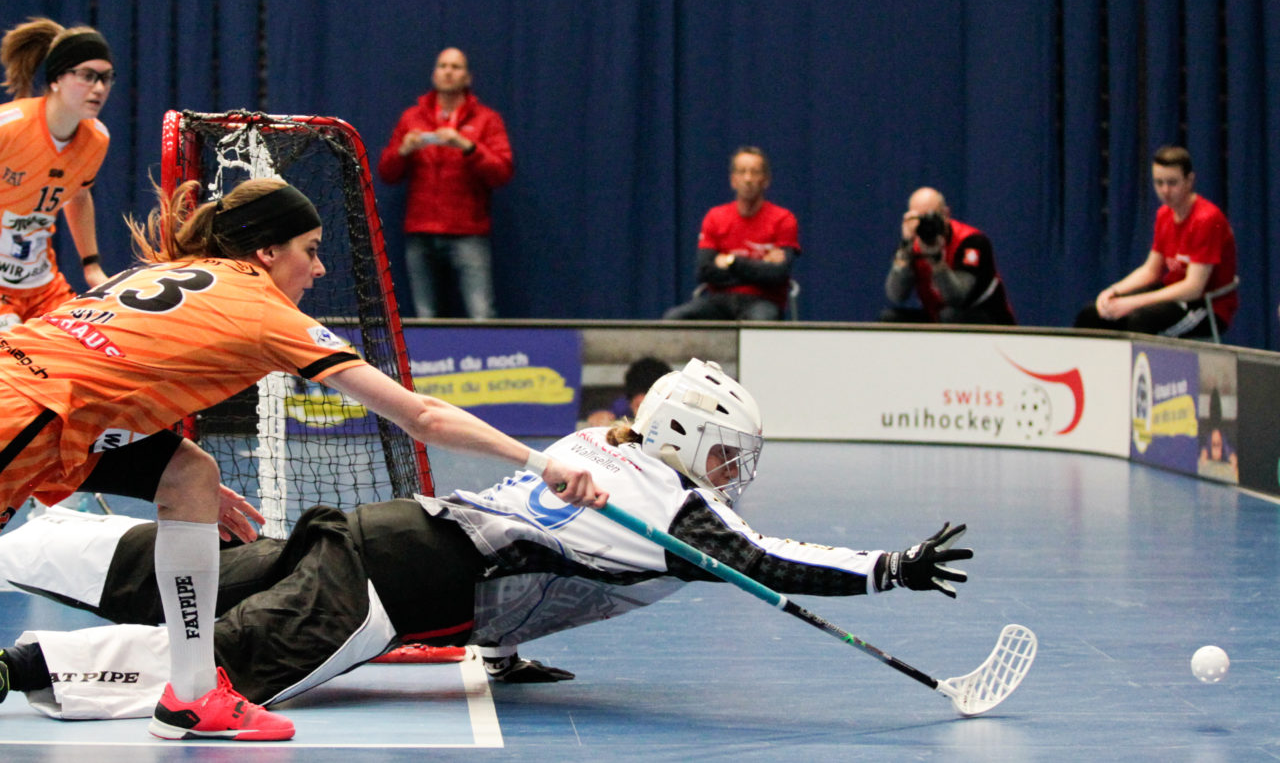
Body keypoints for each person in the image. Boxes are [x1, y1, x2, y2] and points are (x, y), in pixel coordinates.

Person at [0, 359, 970, 719]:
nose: (728, 479)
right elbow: (770, 561)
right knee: (214, 667)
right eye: (724, 458)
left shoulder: (597, 442)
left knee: (201, 570)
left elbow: (549, 559)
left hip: (384, 533)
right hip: (391, 589)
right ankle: (27, 664)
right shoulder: (676, 514)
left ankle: (26, 541)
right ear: (690, 444)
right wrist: (890, 568)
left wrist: (498, 646)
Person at [0, 177, 604, 741]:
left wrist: (174, 481)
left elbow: (96, 373)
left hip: (40, 398)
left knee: (190, 473)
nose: (318, 269)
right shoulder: (265, 312)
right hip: (25, 410)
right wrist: (538, 461)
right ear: (266, 251)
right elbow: (420, 416)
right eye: (309, 250)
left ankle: (190, 695)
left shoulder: (169, 274)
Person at [377, 47, 513, 320]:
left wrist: (467, 146)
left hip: (468, 231)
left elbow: (502, 172)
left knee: (481, 313)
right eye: (443, 66)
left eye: (456, 66)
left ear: (467, 77)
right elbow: (386, 174)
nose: (448, 71)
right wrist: (403, 151)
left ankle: (493, 362)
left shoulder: (487, 119)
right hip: (421, 229)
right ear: (434, 73)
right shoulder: (412, 117)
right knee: (424, 316)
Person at [0, 17, 114, 329]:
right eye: (87, 76)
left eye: (106, 78)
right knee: (14, 362)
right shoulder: (9, 127)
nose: (99, 88)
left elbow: (77, 196)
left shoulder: (96, 139)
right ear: (57, 79)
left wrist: (92, 267)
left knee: (90, 351)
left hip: (41, 285)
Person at [1074, 146, 1238, 338]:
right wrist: (1113, 291)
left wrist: (1134, 303)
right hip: (1173, 296)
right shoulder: (1164, 215)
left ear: (1189, 180)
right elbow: (1151, 270)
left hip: (1205, 306)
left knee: (1140, 320)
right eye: (1159, 183)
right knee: (1093, 314)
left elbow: (1193, 287)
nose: (1165, 190)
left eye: (1172, 183)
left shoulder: (1206, 219)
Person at [663, 147, 800, 321]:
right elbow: (704, 271)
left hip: (763, 301)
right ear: (733, 180)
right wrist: (759, 267)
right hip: (719, 300)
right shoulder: (715, 217)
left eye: (755, 172)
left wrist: (730, 261)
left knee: (761, 322)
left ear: (766, 180)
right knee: (675, 318)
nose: (748, 179)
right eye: (742, 172)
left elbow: (778, 274)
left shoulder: (783, 219)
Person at [881, 187, 1015, 325]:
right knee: (890, 318)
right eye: (919, 218)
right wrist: (904, 249)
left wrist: (937, 263)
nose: (926, 225)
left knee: (949, 315)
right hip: (939, 317)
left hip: (986, 320)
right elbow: (896, 295)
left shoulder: (971, 242)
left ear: (946, 213)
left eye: (931, 217)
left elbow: (956, 298)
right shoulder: (912, 245)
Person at [583, 355, 672, 426]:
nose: (646, 414)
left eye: (653, 405)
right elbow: (604, 415)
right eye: (639, 406)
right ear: (631, 403)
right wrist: (599, 417)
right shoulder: (622, 407)